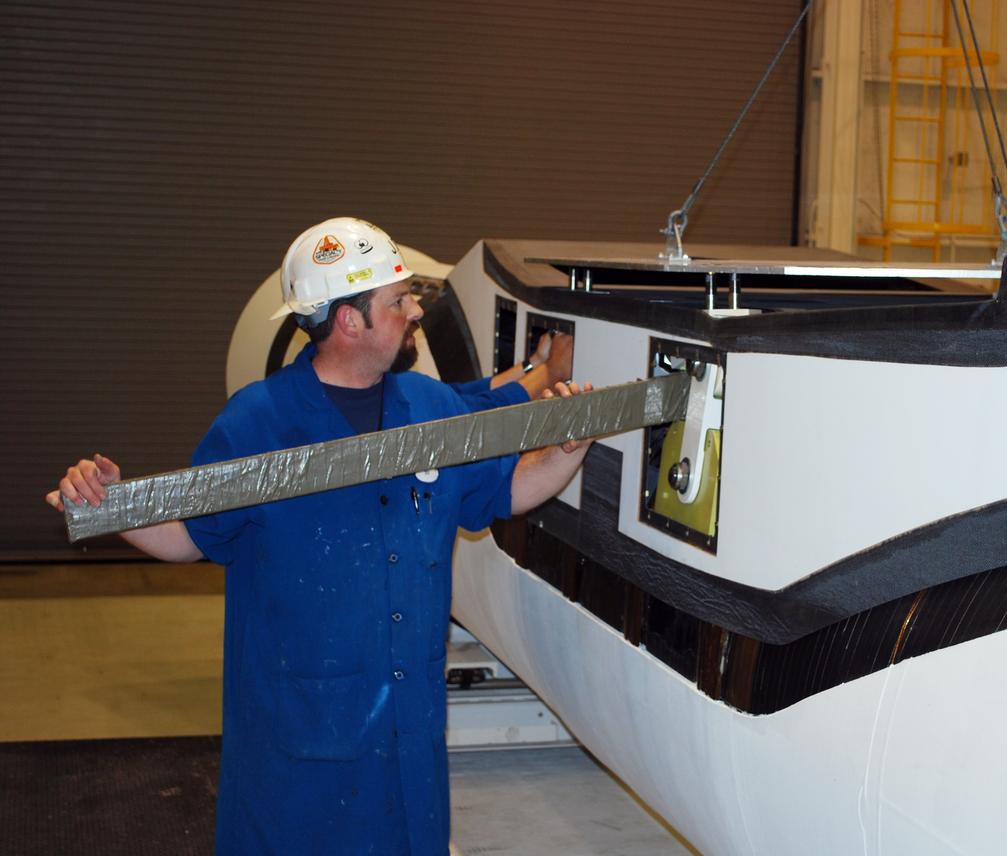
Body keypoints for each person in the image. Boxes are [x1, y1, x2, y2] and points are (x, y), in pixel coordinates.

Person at [46, 217, 595, 855]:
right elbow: (189, 537)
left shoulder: (431, 407)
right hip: (297, 746)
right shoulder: (259, 421)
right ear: (348, 321)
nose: (415, 310)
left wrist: (567, 449)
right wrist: (110, 505)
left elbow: (506, 492)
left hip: (406, 734)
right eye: (397, 301)